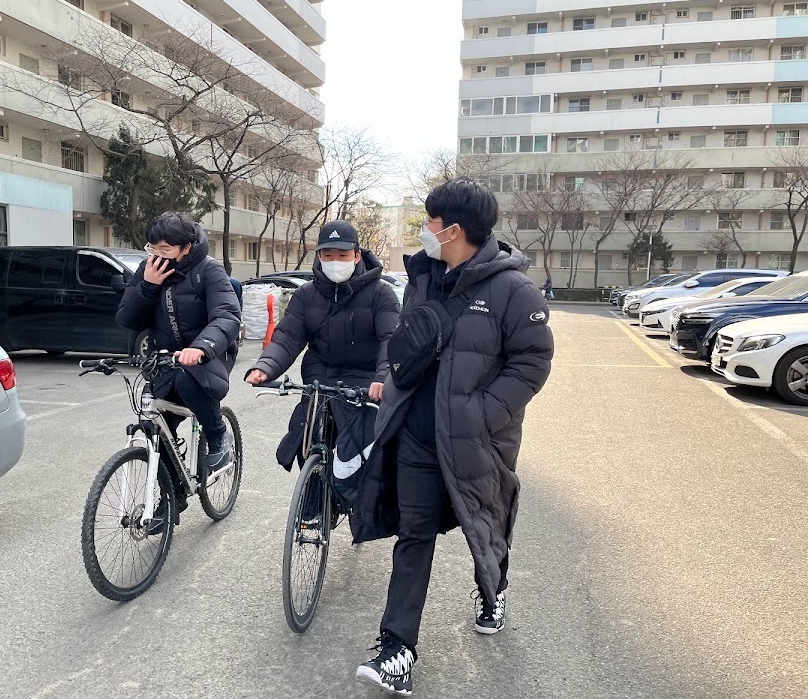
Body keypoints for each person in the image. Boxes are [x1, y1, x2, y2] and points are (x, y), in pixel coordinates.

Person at [350, 178, 554, 696]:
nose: (425, 230)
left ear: (454, 230)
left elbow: (533, 361)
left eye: (431, 222)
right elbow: (406, 340)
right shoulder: (423, 276)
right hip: (417, 437)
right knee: (413, 535)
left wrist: (482, 414)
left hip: (476, 441)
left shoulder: (514, 290)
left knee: (484, 522)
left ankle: (493, 590)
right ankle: (397, 649)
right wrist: (391, 380)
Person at [244, 220, 400, 499]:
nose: (335, 261)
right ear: (318, 256)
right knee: (307, 431)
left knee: (358, 444)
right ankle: (314, 496)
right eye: (328, 254)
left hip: (363, 377)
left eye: (342, 254)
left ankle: (356, 500)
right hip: (320, 374)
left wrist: (382, 378)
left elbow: (391, 340)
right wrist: (265, 367)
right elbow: (287, 337)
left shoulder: (381, 293)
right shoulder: (306, 294)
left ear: (357, 255)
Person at [116, 212, 242, 528]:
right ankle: (172, 498)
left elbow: (227, 316)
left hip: (207, 356)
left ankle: (218, 436)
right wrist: (147, 286)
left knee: (188, 380)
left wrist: (201, 348)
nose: (157, 255)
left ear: (186, 248)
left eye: (166, 249)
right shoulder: (148, 270)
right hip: (164, 359)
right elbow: (127, 320)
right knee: (155, 426)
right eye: (152, 248)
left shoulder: (209, 270)